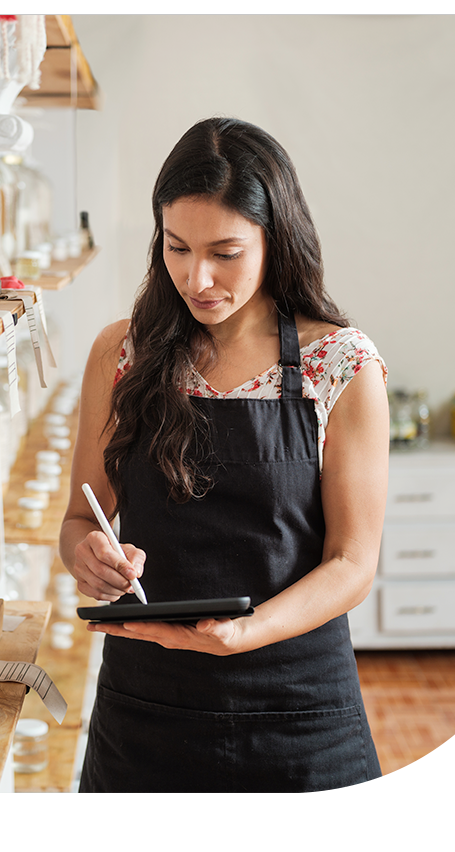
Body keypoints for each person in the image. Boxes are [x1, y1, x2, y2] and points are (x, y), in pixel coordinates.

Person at [59, 117, 389, 793]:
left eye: (225, 252)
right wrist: (88, 557)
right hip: (144, 713)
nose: (197, 276)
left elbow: (353, 564)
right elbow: (80, 520)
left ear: (276, 238)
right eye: (177, 247)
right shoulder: (120, 356)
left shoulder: (341, 363)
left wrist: (247, 632)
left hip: (299, 713)